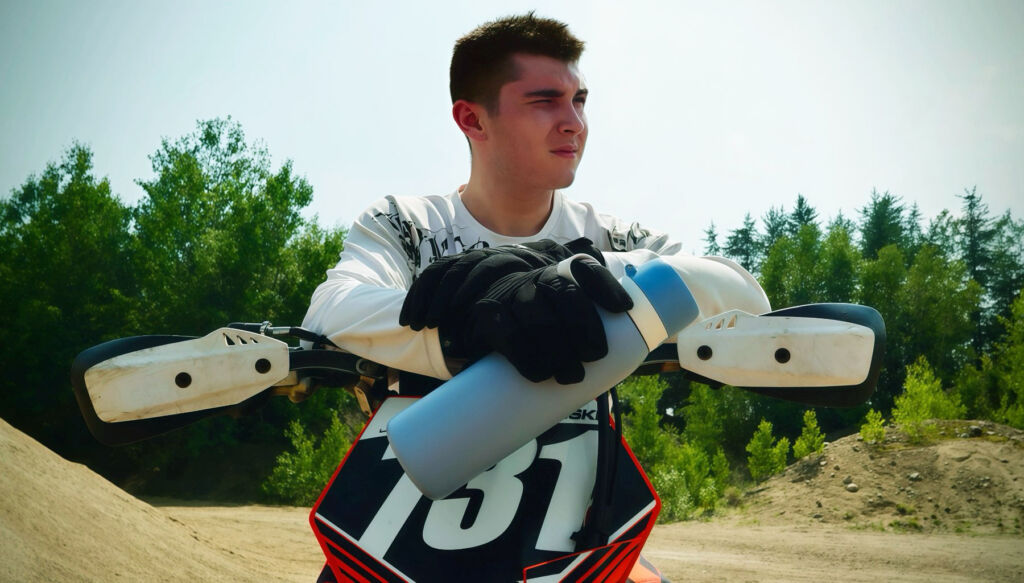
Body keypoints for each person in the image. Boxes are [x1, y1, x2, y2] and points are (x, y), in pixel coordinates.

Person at [303, 12, 769, 583]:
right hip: (398, 523)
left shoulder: (612, 237)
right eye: (545, 101)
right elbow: (334, 305)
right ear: (472, 119)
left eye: (580, 100)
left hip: (576, 536)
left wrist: (574, 270)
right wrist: (467, 323)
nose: (574, 122)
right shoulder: (408, 224)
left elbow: (738, 294)